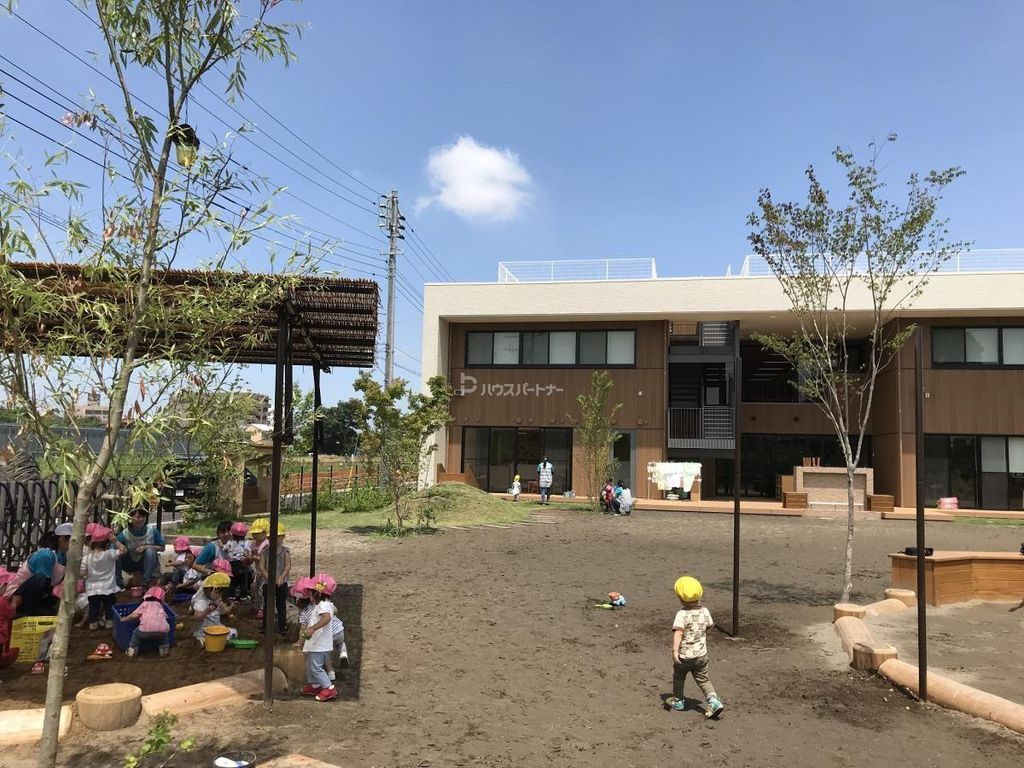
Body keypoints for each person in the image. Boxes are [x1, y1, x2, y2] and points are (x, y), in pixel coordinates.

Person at [667, 576, 724, 719]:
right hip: (701, 655)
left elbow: (678, 633)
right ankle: (713, 700)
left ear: (680, 598)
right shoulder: (705, 611)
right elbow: (710, 626)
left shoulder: (682, 614)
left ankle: (678, 700)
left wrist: (675, 650)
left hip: (685, 656)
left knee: (679, 676)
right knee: (704, 679)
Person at [293, 576, 349, 683]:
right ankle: (343, 654)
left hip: (325, 637)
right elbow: (335, 611)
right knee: (340, 644)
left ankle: (329, 681)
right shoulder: (325, 604)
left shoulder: (307, 612)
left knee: (320, 661)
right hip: (338, 630)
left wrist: (300, 641)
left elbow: (303, 629)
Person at [12, 523, 72, 616]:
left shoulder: (64, 557)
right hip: (19, 595)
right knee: (42, 579)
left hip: (40, 594)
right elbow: (41, 581)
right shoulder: (46, 555)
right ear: (62, 539)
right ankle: (29, 613)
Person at [299, 573, 340, 702]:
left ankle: (328, 687)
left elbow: (327, 617)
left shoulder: (323, 605)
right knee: (311, 665)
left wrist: (312, 628)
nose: (309, 596)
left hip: (320, 644)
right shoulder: (324, 605)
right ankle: (315, 685)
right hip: (316, 644)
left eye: (311, 593)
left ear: (318, 593)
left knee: (315, 667)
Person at [82, 526, 127, 630]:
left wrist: (86, 575)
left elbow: (82, 573)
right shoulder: (109, 554)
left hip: (93, 588)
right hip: (108, 587)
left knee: (94, 607)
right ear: (107, 543)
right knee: (109, 605)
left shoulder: (87, 558)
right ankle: (109, 622)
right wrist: (116, 541)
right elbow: (124, 550)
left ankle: (93, 624)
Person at [116, 508, 166, 587]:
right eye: (138, 517)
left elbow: (162, 548)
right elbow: (114, 545)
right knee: (116, 554)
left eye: (143, 517)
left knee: (150, 550)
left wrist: (146, 546)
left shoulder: (152, 530)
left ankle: (146, 580)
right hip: (129, 562)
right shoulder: (125, 533)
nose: (141, 519)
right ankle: (118, 583)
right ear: (131, 518)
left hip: (145, 562)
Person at [257, 523, 291, 637]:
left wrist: (281, 577)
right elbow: (261, 567)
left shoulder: (285, 551)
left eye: (278, 537)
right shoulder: (265, 551)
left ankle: (282, 626)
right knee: (268, 605)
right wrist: (269, 577)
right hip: (268, 583)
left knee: (281, 605)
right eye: (272, 537)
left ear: (283, 537)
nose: (275, 539)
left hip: (282, 583)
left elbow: (287, 566)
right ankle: (266, 626)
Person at [119, 586, 171, 657]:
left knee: (136, 634)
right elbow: (165, 617)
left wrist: (124, 618)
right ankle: (164, 650)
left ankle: (132, 650)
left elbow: (134, 615)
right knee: (164, 635)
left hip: (144, 631)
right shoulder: (160, 606)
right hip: (161, 632)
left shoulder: (144, 604)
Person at [191, 573, 236, 648]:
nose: (219, 596)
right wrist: (207, 611)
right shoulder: (201, 602)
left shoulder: (217, 600)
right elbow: (197, 617)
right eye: (218, 593)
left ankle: (220, 641)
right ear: (209, 590)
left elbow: (224, 611)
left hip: (217, 628)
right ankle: (202, 641)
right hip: (205, 631)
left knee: (234, 632)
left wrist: (230, 606)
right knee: (205, 638)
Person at [223, 522, 252, 600]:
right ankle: (244, 596)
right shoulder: (246, 543)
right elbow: (248, 552)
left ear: (232, 534)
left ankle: (231, 596)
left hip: (232, 565)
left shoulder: (229, 543)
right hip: (242, 564)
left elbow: (225, 549)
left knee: (232, 582)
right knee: (243, 582)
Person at [248, 518, 270, 620]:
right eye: (253, 533)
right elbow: (252, 556)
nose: (254, 536)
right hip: (258, 571)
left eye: (257, 533)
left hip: (265, 571)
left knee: (262, 590)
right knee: (255, 589)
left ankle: (262, 608)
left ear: (265, 533)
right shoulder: (254, 543)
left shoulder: (266, 544)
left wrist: (253, 557)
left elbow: (264, 559)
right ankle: (257, 606)